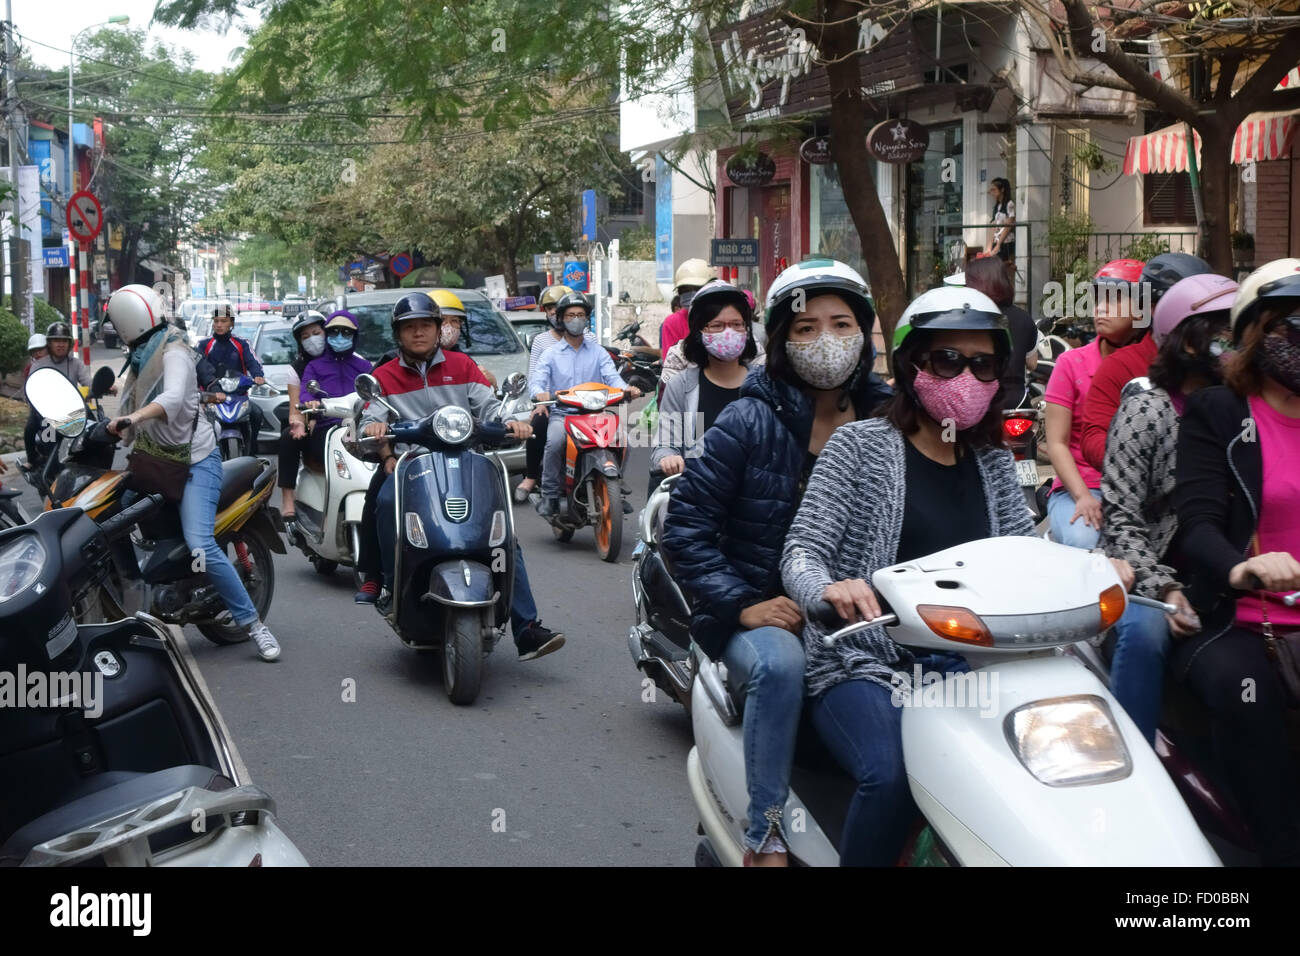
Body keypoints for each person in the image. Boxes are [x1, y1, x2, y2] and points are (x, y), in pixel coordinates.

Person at [779, 284, 1131, 865]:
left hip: (979, 663)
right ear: (911, 364)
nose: (965, 375)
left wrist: (1096, 568)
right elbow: (803, 550)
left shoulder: (992, 461)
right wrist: (828, 589)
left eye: (982, 363)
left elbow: (1024, 551)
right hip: (864, 663)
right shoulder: (859, 446)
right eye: (947, 359)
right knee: (892, 775)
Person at [661, 259, 893, 867]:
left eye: (841, 324)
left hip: (871, 622)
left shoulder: (891, 422)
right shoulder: (749, 419)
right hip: (767, 618)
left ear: (866, 335)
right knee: (781, 665)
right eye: (806, 328)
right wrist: (742, 604)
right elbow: (683, 529)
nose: (825, 341)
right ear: (783, 343)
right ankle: (766, 832)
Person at [1172, 259, 1300, 866]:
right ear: (1260, 333)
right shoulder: (1221, 413)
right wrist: (1243, 568)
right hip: (1242, 617)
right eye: (1292, 324)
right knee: (1245, 695)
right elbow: (1196, 526)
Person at [358, 292, 565, 661]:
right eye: (409, 327)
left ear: (439, 329)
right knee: (385, 503)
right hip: (412, 468)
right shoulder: (384, 375)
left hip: (468, 463)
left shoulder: (462, 365)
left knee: (503, 535)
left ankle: (526, 627)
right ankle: (389, 584)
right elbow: (372, 413)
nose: (418, 333)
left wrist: (511, 422)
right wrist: (373, 426)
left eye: (425, 325)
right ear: (398, 334)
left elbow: (488, 406)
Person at [104, 285, 281, 661]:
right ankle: (137, 600)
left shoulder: (175, 350)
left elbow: (171, 398)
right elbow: (124, 392)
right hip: (155, 461)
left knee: (201, 544)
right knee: (107, 517)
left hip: (196, 463)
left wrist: (133, 417)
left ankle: (254, 625)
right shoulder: (138, 356)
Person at [1100, 273, 1237, 744]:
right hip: (1145, 572)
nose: (1233, 342)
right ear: (1187, 342)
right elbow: (1120, 520)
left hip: (1225, 574)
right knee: (1144, 637)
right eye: (1221, 329)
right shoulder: (1148, 412)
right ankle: (1130, 760)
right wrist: (1166, 589)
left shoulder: (1245, 415)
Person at [1043, 259, 1146, 548]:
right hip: (1082, 488)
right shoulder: (1070, 363)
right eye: (1099, 300)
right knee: (1087, 543)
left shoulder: (1157, 364)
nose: (1101, 308)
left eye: (1114, 301)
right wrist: (1082, 497)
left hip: (1141, 492)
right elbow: (1057, 443)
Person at [1080, 253, 1214, 471]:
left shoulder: (1218, 363)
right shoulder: (1119, 365)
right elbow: (1094, 437)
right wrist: (1138, 463)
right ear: (1152, 308)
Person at [530, 292, 641, 518]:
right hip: (564, 415)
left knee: (623, 438)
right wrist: (539, 394)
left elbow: (613, 378)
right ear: (561, 319)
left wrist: (626, 390)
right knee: (554, 442)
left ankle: (615, 487)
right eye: (571, 315)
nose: (576, 319)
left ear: (587, 319)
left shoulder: (598, 352)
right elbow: (537, 382)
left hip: (595, 414)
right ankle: (550, 496)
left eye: (581, 314)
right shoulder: (550, 354)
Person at [649, 282, 756, 496]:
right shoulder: (681, 386)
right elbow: (665, 443)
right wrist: (668, 458)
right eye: (717, 325)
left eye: (736, 324)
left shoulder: (763, 385)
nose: (729, 332)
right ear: (700, 332)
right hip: (697, 496)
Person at [514, 284, 575, 502]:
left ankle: (611, 474)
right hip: (552, 403)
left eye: (558, 307)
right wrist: (540, 402)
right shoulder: (541, 341)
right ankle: (531, 476)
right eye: (549, 308)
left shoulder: (589, 339)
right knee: (538, 423)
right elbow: (535, 377)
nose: (553, 312)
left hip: (584, 403)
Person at [963, 254, 1036, 408]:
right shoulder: (1024, 319)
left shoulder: (967, 318)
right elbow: (1032, 364)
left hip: (979, 404)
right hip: (1017, 402)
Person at [278, 311, 328, 520]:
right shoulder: (296, 370)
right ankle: (288, 497)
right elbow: (295, 408)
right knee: (287, 438)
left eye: (316, 333)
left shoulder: (349, 361)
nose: (313, 340)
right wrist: (301, 423)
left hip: (348, 422)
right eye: (305, 337)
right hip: (314, 424)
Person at [199, 303, 267, 442]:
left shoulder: (242, 344)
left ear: (231, 323)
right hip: (212, 397)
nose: (219, 324)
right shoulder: (204, 345)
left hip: (239, 396)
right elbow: (198, 367)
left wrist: (258, 375)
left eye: (223, 321)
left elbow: (253, 362)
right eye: (216, 321)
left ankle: (252, 451)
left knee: (257, 414)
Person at [658, 258, 714, 354]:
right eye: (685, 290)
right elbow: (671, 363)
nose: (691, 295)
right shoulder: (672, 322)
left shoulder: (722, 317)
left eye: (697, 289)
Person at [984, 177, 1015, 264]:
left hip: (1006, 242)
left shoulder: (1009, 204)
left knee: (1003, 268)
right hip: (997, 241)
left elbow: (1008, 227)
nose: (992, 193)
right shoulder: (997, 206)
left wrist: (998, 245)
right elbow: (993, 227)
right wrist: (989, 247)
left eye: (994, 190)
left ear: (1002, 190)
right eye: (991, 190)